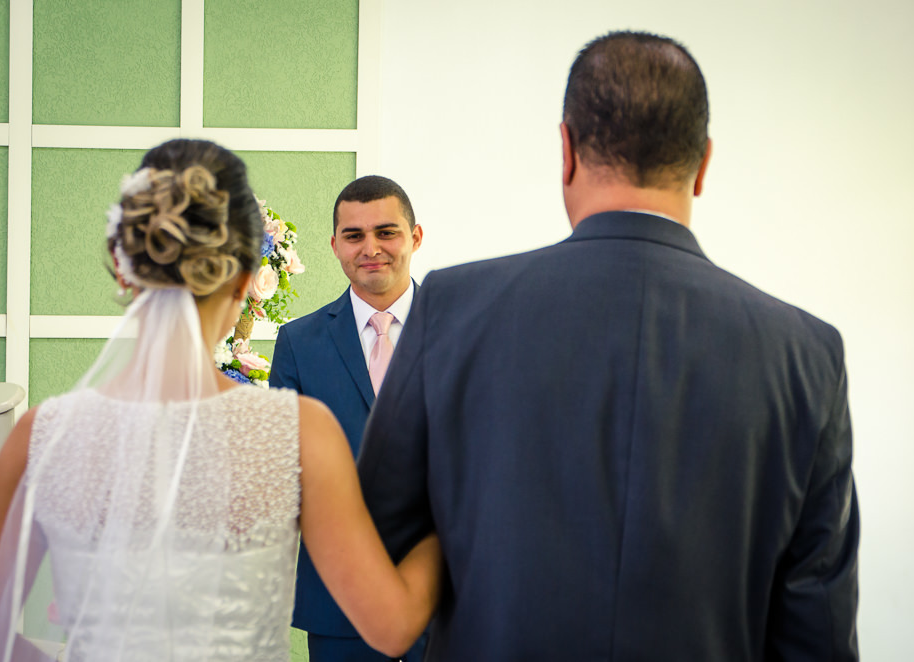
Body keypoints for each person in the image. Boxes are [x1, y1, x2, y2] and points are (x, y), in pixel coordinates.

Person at [356, 31, 860, 661]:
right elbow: (816, 632)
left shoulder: (452, 307)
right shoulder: (807, 354)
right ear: (703, 164)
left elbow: (379, 541)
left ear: (565, 151)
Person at [0, 140, 440, 662]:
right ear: (245, 279)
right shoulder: (298, 431)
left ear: (123, 268)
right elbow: (392, 627)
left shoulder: (40, 435)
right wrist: (440, 531)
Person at [270, 175, 427, 661]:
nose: (371, 248)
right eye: (354, 235)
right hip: (338, 603)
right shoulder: (298, 343)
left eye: (387, 232)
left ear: (415, 237)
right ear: (335, 245)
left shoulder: (463, 329)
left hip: (448, 596)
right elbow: (284, 472)